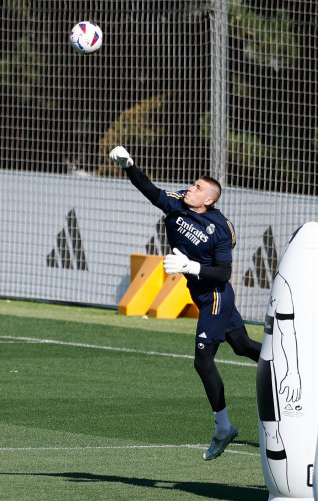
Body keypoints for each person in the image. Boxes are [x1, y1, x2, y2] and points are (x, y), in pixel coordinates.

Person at [109, 146, 261, 460]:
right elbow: (150, 190)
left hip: (216, 297)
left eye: (198, 188)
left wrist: (190, 267)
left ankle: (223, 427)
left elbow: (223, 273)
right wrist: (129, 166)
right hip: (200, 293)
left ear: (210, 200)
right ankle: (286, 362)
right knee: (244, 346)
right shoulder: (178, 202)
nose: (190, 189)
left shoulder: (220, 229)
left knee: (203, 361)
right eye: (192, 185)